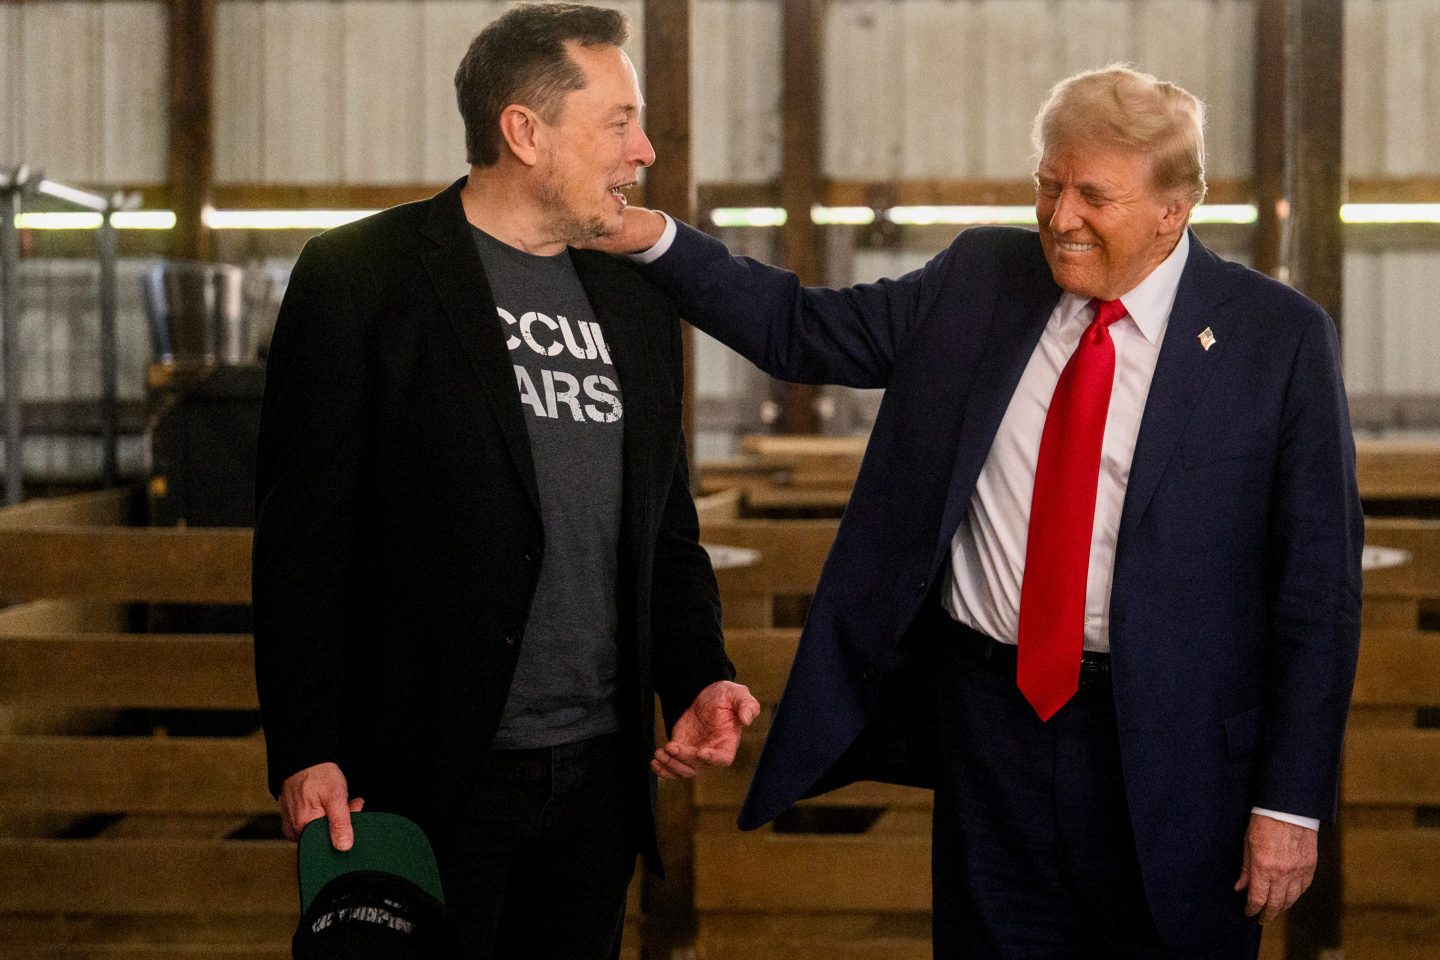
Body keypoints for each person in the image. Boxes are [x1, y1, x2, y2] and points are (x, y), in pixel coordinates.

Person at [590, 66, 1362, 959]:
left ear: (1173, 208)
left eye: (1093, 196)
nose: (1061, 215)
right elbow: (803, 330)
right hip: (991, 727)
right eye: (1049, 183)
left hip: (1179, 752)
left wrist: (1289, 803)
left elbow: (1318, 594)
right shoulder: (984, 278)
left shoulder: (1277, 337)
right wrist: (651, 238)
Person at [251, 5, 760, 959]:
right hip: (421, 773)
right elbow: (300, 537)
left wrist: (698, 673)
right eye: (617, 122)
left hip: (599, 779)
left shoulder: (636, 298)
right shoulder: (363, 277)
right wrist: (305, 745)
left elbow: (664, 526)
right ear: (524, 131)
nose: (643, 149)